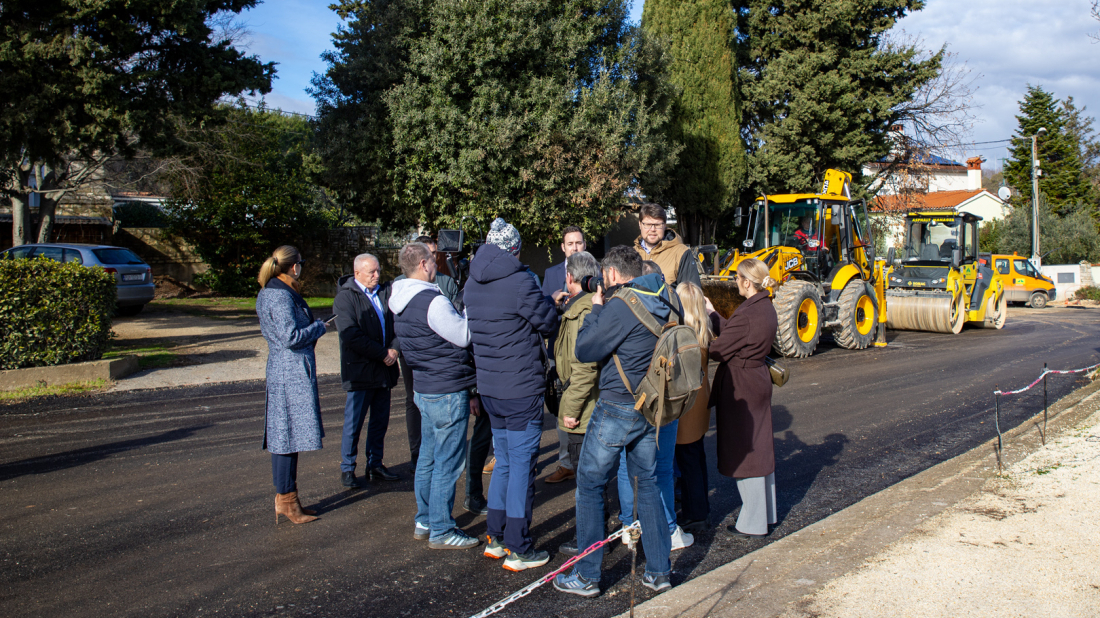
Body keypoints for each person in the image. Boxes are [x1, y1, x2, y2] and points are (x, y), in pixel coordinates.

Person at [553, 246, 673, 598]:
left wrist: (597, 308)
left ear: (614, 276)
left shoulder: (622, 305)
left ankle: (588, 575)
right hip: (649, 403)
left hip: (617, 404)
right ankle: (658, 572)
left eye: (604, 277)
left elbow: (586, 349)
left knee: (589, 484)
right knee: (647, 484)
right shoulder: (663, 294)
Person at [464, 218, 559, 572]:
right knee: (521, 467)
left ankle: (496, 537)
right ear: (515, 250)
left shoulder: (472, 283)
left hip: (490, 388)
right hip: (520, 389)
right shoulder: (520, 281)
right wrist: (553, 302)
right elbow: (547, 322)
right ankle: (519, 546)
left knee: (503, 462)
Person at [389, 242, 481, 550]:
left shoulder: (400, 300)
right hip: (446, 389)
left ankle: (425, 519)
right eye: (433, 261)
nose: (437, 266)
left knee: (428, 458)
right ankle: (442, 529)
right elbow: (463, 336)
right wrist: (468, 312)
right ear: (424, 265)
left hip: (424, 387)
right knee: (448, 462)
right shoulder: (432, 301)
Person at [256, 245, 332, 525]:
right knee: (286, 437)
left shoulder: (275, 290)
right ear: (293, 266)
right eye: (300, 262)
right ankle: (286, 501)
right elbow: (290, 336)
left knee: (288, 436)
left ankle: (288, 499)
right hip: (290, 371)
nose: (302, 266)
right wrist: (319, 328)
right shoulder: (278, 295)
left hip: (287, 369)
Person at [708, 258, 779, 538]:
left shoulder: (748, 313)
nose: (735, 281)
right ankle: (766, 514)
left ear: (747, 282)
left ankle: (752, 523)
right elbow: (737, 334)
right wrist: (713, 314)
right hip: (757, 379)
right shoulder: (765, 306)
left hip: (743, 385)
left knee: (746, 452)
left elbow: (720, 350)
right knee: (759, 447)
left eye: (737, 278)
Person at [549, 251, 601, 556]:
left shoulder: (582, 311)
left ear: (571, 278)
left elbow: (584, 366)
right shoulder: (580, 306)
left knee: (586, 478)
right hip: (581, 400)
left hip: (582, 404)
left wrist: (569, 409)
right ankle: (594, 536)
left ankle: (591, 540)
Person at [335, 253, 400, 487]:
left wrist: (394, 349)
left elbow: (398, 325)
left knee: (379, 421)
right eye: (371, 272)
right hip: (360, 372)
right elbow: (351, 335)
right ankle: (347, 468)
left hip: (384, 371)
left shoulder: (385, 293)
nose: (376, 275)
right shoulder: (346, 298)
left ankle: (375, 464)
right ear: (357, 274)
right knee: (354, 423)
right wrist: (383, 353)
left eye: (378, 271)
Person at [542, 226, 587, 485]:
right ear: (563, 247)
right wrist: (554, 302)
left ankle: (586, 461)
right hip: (558, 348)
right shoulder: (550, 274)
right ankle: (565, 462)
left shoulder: (596, 271)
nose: (574, 247)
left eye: (579, 243)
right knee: (561, 407)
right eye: (570, 243)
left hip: (584, 347)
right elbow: (542, 311)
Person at [674, 282, 716, 532]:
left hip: (687, 403)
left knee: (688, 460)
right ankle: (700, 509)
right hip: (701, 400)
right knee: (696, 457)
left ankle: (695, 513)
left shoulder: (683, 334)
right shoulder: (703, 329)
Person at [633, 203, 701, 288]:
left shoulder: (681, 253)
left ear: (664, 225)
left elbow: (692, 295)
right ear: (640, 224)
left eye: (658, 225)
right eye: (648, 225)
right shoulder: (631, 255)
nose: (652, 229)